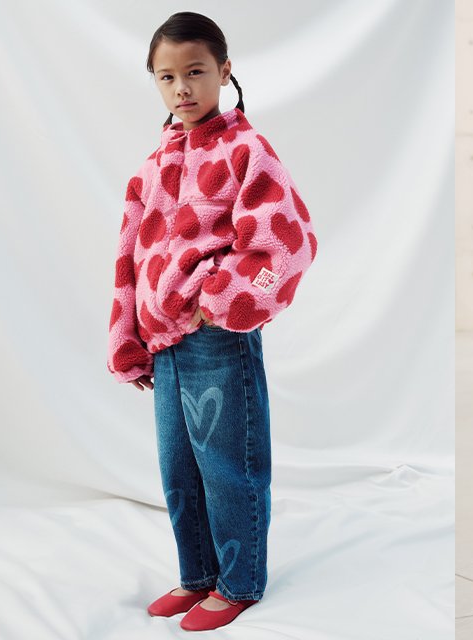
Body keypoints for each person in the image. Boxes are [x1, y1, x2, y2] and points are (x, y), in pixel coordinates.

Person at [106, 11, 316, 632]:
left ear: (224, 72)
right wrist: (128, 340)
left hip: (216, 339)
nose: (182, 88)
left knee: (228, 467)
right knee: (180, 469)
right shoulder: (150, 167)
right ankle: (197, 574)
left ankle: (239, 582)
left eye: (195, 72)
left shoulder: (247, 150)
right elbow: (128, 259)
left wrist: (217, 304)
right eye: (167, 76)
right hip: (163, 345)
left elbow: (289, 243)